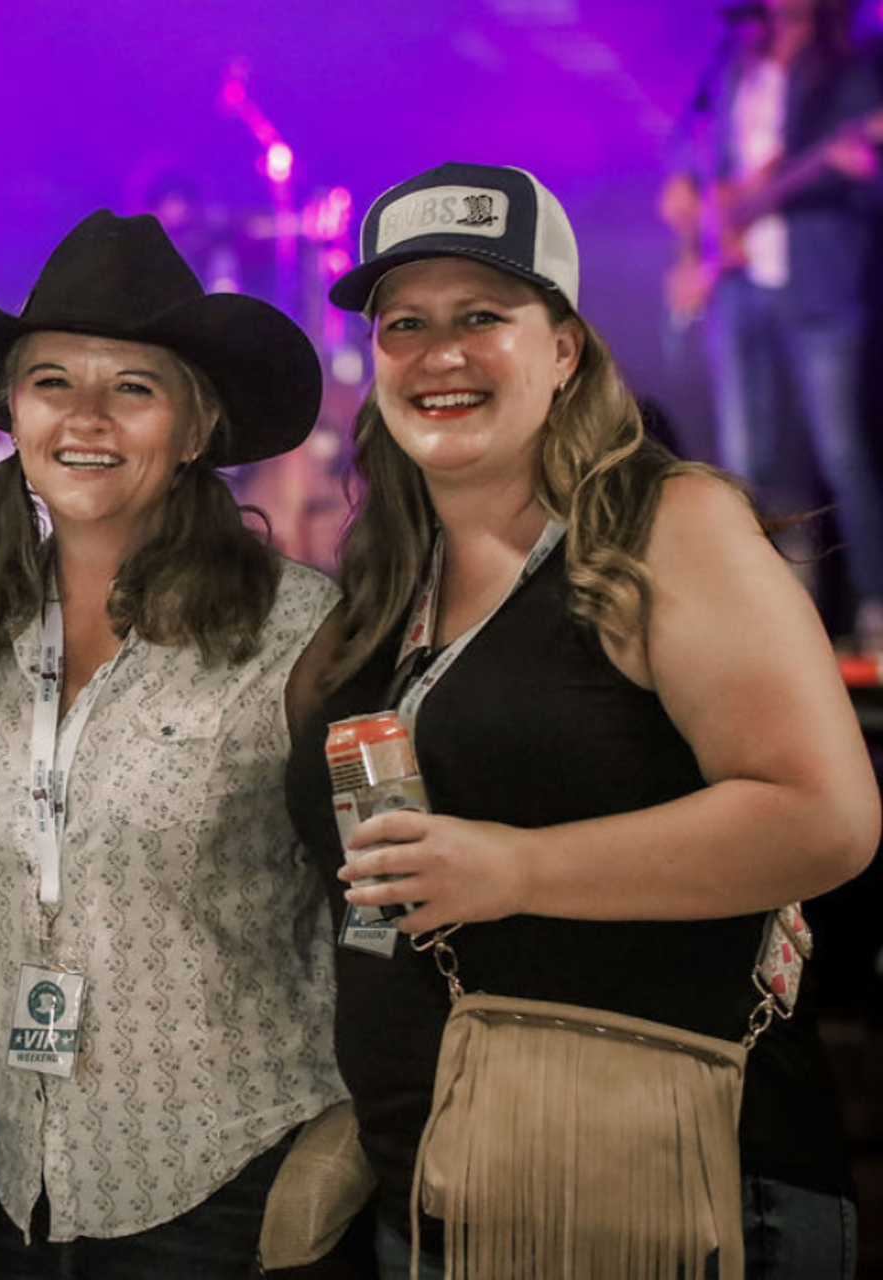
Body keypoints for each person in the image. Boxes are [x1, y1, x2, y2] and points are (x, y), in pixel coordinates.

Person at [287, 162, 879, 1278]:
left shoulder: (665, 523)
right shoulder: (381, 583)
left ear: (563, 350)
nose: (439, 353)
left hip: (663, 1190)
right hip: (434, 1190)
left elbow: (827, 818)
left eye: (482, 317)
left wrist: (518, 867)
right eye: (405, 323)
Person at [0, 209, 347, 1277]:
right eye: (54, 380)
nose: (88, 416)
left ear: (194, 430)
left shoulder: (299, 631)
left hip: (235, 1187)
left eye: (135, 387)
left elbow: (390, 902)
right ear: (13, 409)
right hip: (15, 1192)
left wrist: (355, 1141)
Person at [659, 0, 883, 645]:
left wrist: (854, 172)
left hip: (820, 279)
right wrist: (690, 211)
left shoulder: (852, 67)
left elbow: (866, 182)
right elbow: (688, 146)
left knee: (840, 450)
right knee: (744, 458)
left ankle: (873, 610)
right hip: (738, 282)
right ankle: (763, 613)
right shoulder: (737, 57)